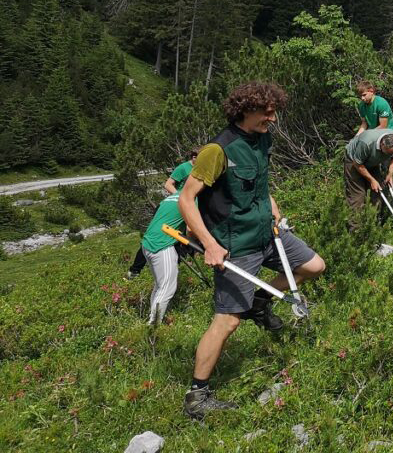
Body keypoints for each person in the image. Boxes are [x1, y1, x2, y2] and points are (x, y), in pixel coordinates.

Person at [177, 82, 326, 420]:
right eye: (267, 112)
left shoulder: (262, 139)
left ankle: (261, 302)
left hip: (267, 234)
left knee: (314, 266)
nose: (272, 119)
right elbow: (187, 200)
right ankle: (197, 395)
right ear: (246, 110)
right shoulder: (217, 150)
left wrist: (270, 201)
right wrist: (211, 245)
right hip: (236, 245)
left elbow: (259, 179)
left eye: (274, 112)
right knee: (227, 322)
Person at [126, 149, 198, 279]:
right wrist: (180, 197)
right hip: (176, 205)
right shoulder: (183, 168)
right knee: (156, 236)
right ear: (193, 157)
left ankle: (175, 265)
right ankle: (135, 269)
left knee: (177, 238)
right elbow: (168, 184)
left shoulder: (201, 169)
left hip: (188, 204)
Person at [139, 189, 187, 326]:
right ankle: (153, 326)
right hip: (161, 244)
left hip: (148, 243)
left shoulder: (172, 197)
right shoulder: (191, 198)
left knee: (160, 285)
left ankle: (152, 318)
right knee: (167, 287)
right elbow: (191, 229)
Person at [344, 127, 393, 225]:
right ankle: (356, 232)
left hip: (373, 162)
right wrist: (371, 180)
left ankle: (373, 226)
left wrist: (390, 174)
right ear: (382, 144)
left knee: (377, 192)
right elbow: (357, 164)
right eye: (386, 152)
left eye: (389, 153)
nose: (387, 155)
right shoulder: (366, 142)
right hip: (354, 162)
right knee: (358, 197)